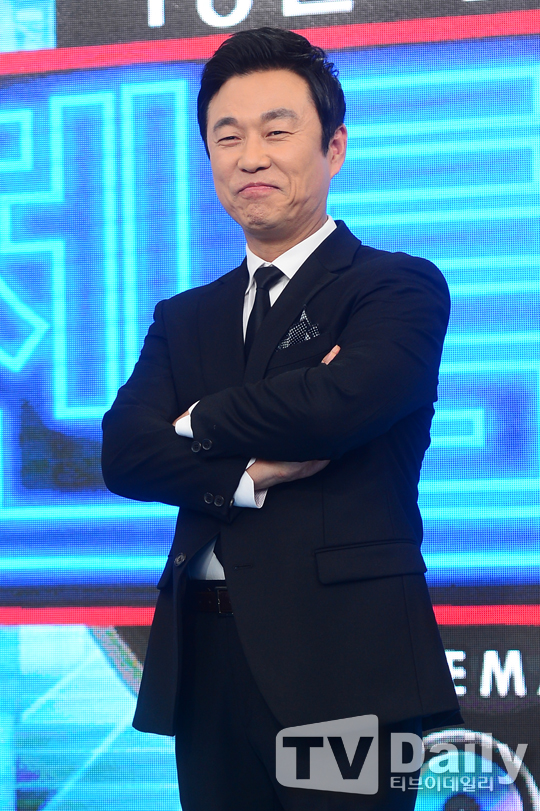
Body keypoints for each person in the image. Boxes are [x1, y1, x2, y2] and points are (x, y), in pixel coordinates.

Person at [101, 27, 462, 811]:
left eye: (276, 130)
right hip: (206, 658)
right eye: (227, 136)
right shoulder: (183, 317)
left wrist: (195, 419)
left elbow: (336, 407)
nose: (250, 157)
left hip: (345, 660)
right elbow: (125, 452)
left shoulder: (395, 287)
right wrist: (243, 475)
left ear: (334, 147)